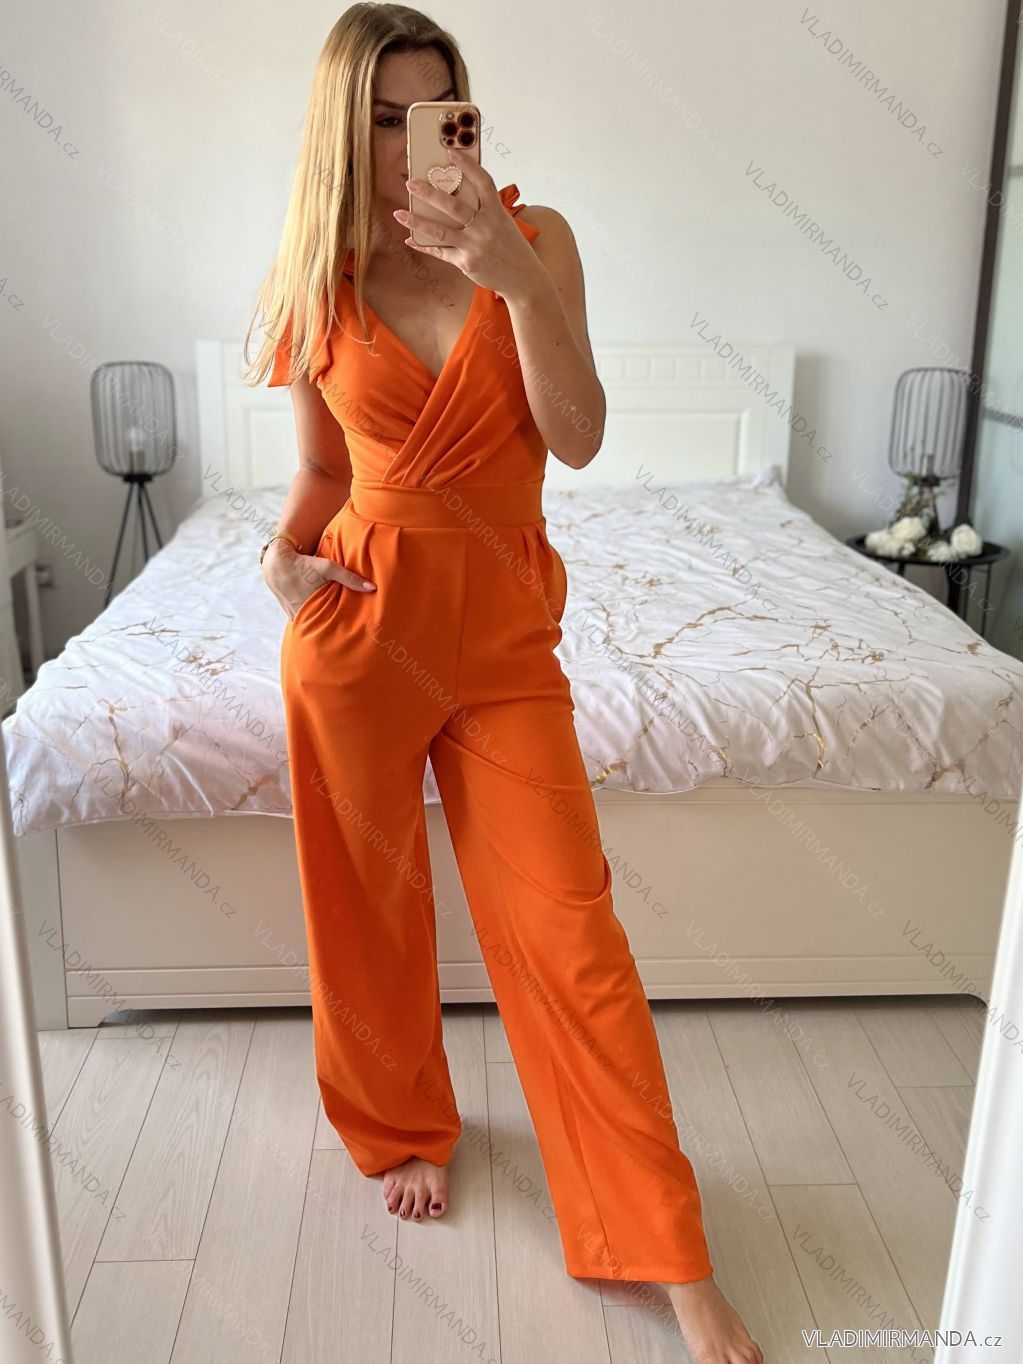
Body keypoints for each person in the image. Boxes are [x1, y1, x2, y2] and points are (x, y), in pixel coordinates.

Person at [246, 6, 763, 1361]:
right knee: (363, 907)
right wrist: (281, 562)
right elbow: (322, 468)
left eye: (440, 111)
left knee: (573, 939)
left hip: (504, 642)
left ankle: (668, 1256)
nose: (419, 143)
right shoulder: (314, 276)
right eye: (387, 119)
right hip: (359, 631)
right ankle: (403, 1124)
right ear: (344, 131)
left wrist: (515, 284)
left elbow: (577, 441)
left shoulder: (538, 243)